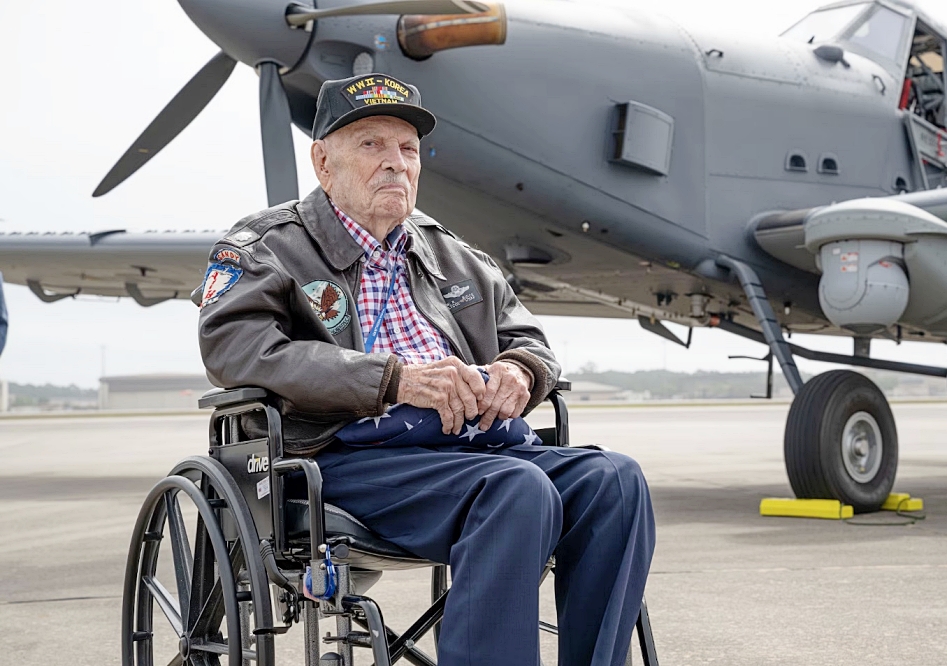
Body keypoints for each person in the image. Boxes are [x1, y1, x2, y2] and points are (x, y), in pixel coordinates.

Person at [198, 73, 654, 666]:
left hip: (472, 448)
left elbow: (528, 339)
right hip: (342, 457)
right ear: (323, 162)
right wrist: (393, 380)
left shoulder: (451, 253)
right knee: (515, 490)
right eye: (372, 144)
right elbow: (233, 346)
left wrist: (520, 370)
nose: (396, 162)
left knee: (615, 480)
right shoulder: (267, 246)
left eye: (408, 148)